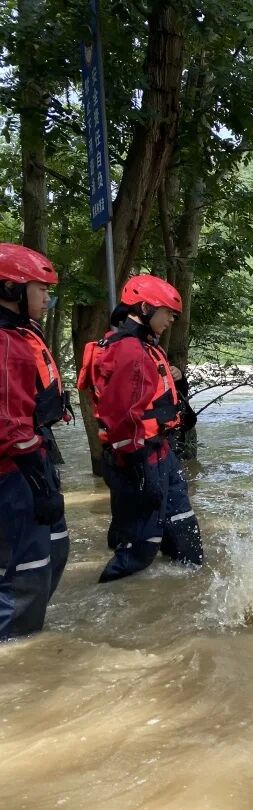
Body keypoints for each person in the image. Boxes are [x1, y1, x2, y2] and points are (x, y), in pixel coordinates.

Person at [86, 274, 203, 583]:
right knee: (140, 543)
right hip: (140, 455)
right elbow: (120, 414)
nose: (172, 320)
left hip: (160, 450)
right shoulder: (129, 350)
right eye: (168, 313)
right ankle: (116, 598)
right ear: (145, 308)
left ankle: (185, 592)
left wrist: (178, 379)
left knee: (183, 530)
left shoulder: (147, 347)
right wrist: (136, 463)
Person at [0, 243, 70, 639]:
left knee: (51, 553)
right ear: (10, 289)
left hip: (30, 459)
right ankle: (16, 650)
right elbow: (10, 426)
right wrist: (40, 486)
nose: (46, 298)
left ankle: (28, 640)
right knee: (25, 573)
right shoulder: (7, 343)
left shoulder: (21, 334)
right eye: (40, 289)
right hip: (15, 471)